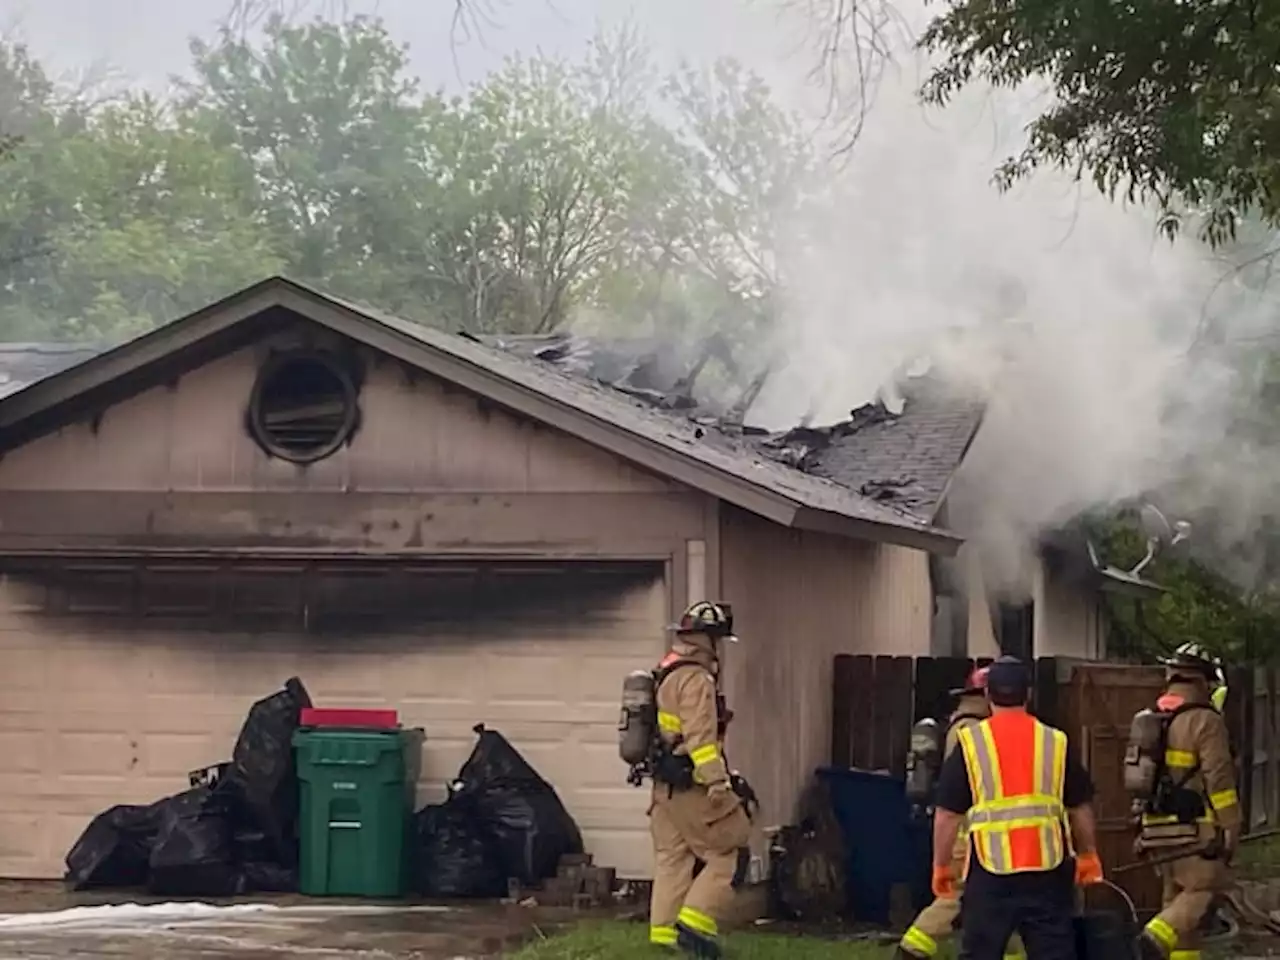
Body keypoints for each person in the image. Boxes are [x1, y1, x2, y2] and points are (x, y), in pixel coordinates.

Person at [931, 655, 1103, 960]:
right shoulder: (1055, 742)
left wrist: (942, 865)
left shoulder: (970, 744)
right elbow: (1080, 807)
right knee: (1054, 953)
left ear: (987, 695)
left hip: (990, 870)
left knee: (980, 953)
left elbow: (947, 815)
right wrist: (1088, 854)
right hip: (1048, 869)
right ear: (1029, 693)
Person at [899, 667, 1026, 960]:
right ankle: (913, 948)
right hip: (968, 835)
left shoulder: (965, 725)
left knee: (998, 903)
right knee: (954, 896)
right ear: (984, 695)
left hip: (978, 834)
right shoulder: (971, 731)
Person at [647, 601, 751, 958]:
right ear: (707, 640)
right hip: (692, 787)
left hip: (664, 788)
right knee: (730, 852)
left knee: (672, 858)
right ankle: (695, 926)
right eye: (718, 640)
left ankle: (664, 936)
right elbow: (701, 740)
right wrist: (719, 785)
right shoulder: (695, 679)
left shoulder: (666, 672)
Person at [1137, 643, 1240, 960]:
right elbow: (1219, 781)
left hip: (1154, 826)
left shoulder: (1153, 717)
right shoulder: (1205, 721)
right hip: (1194, 830)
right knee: (1204, 890)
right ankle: (1150, 940)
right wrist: (1231, 827)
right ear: (1204, 681)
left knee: (1178, 900)